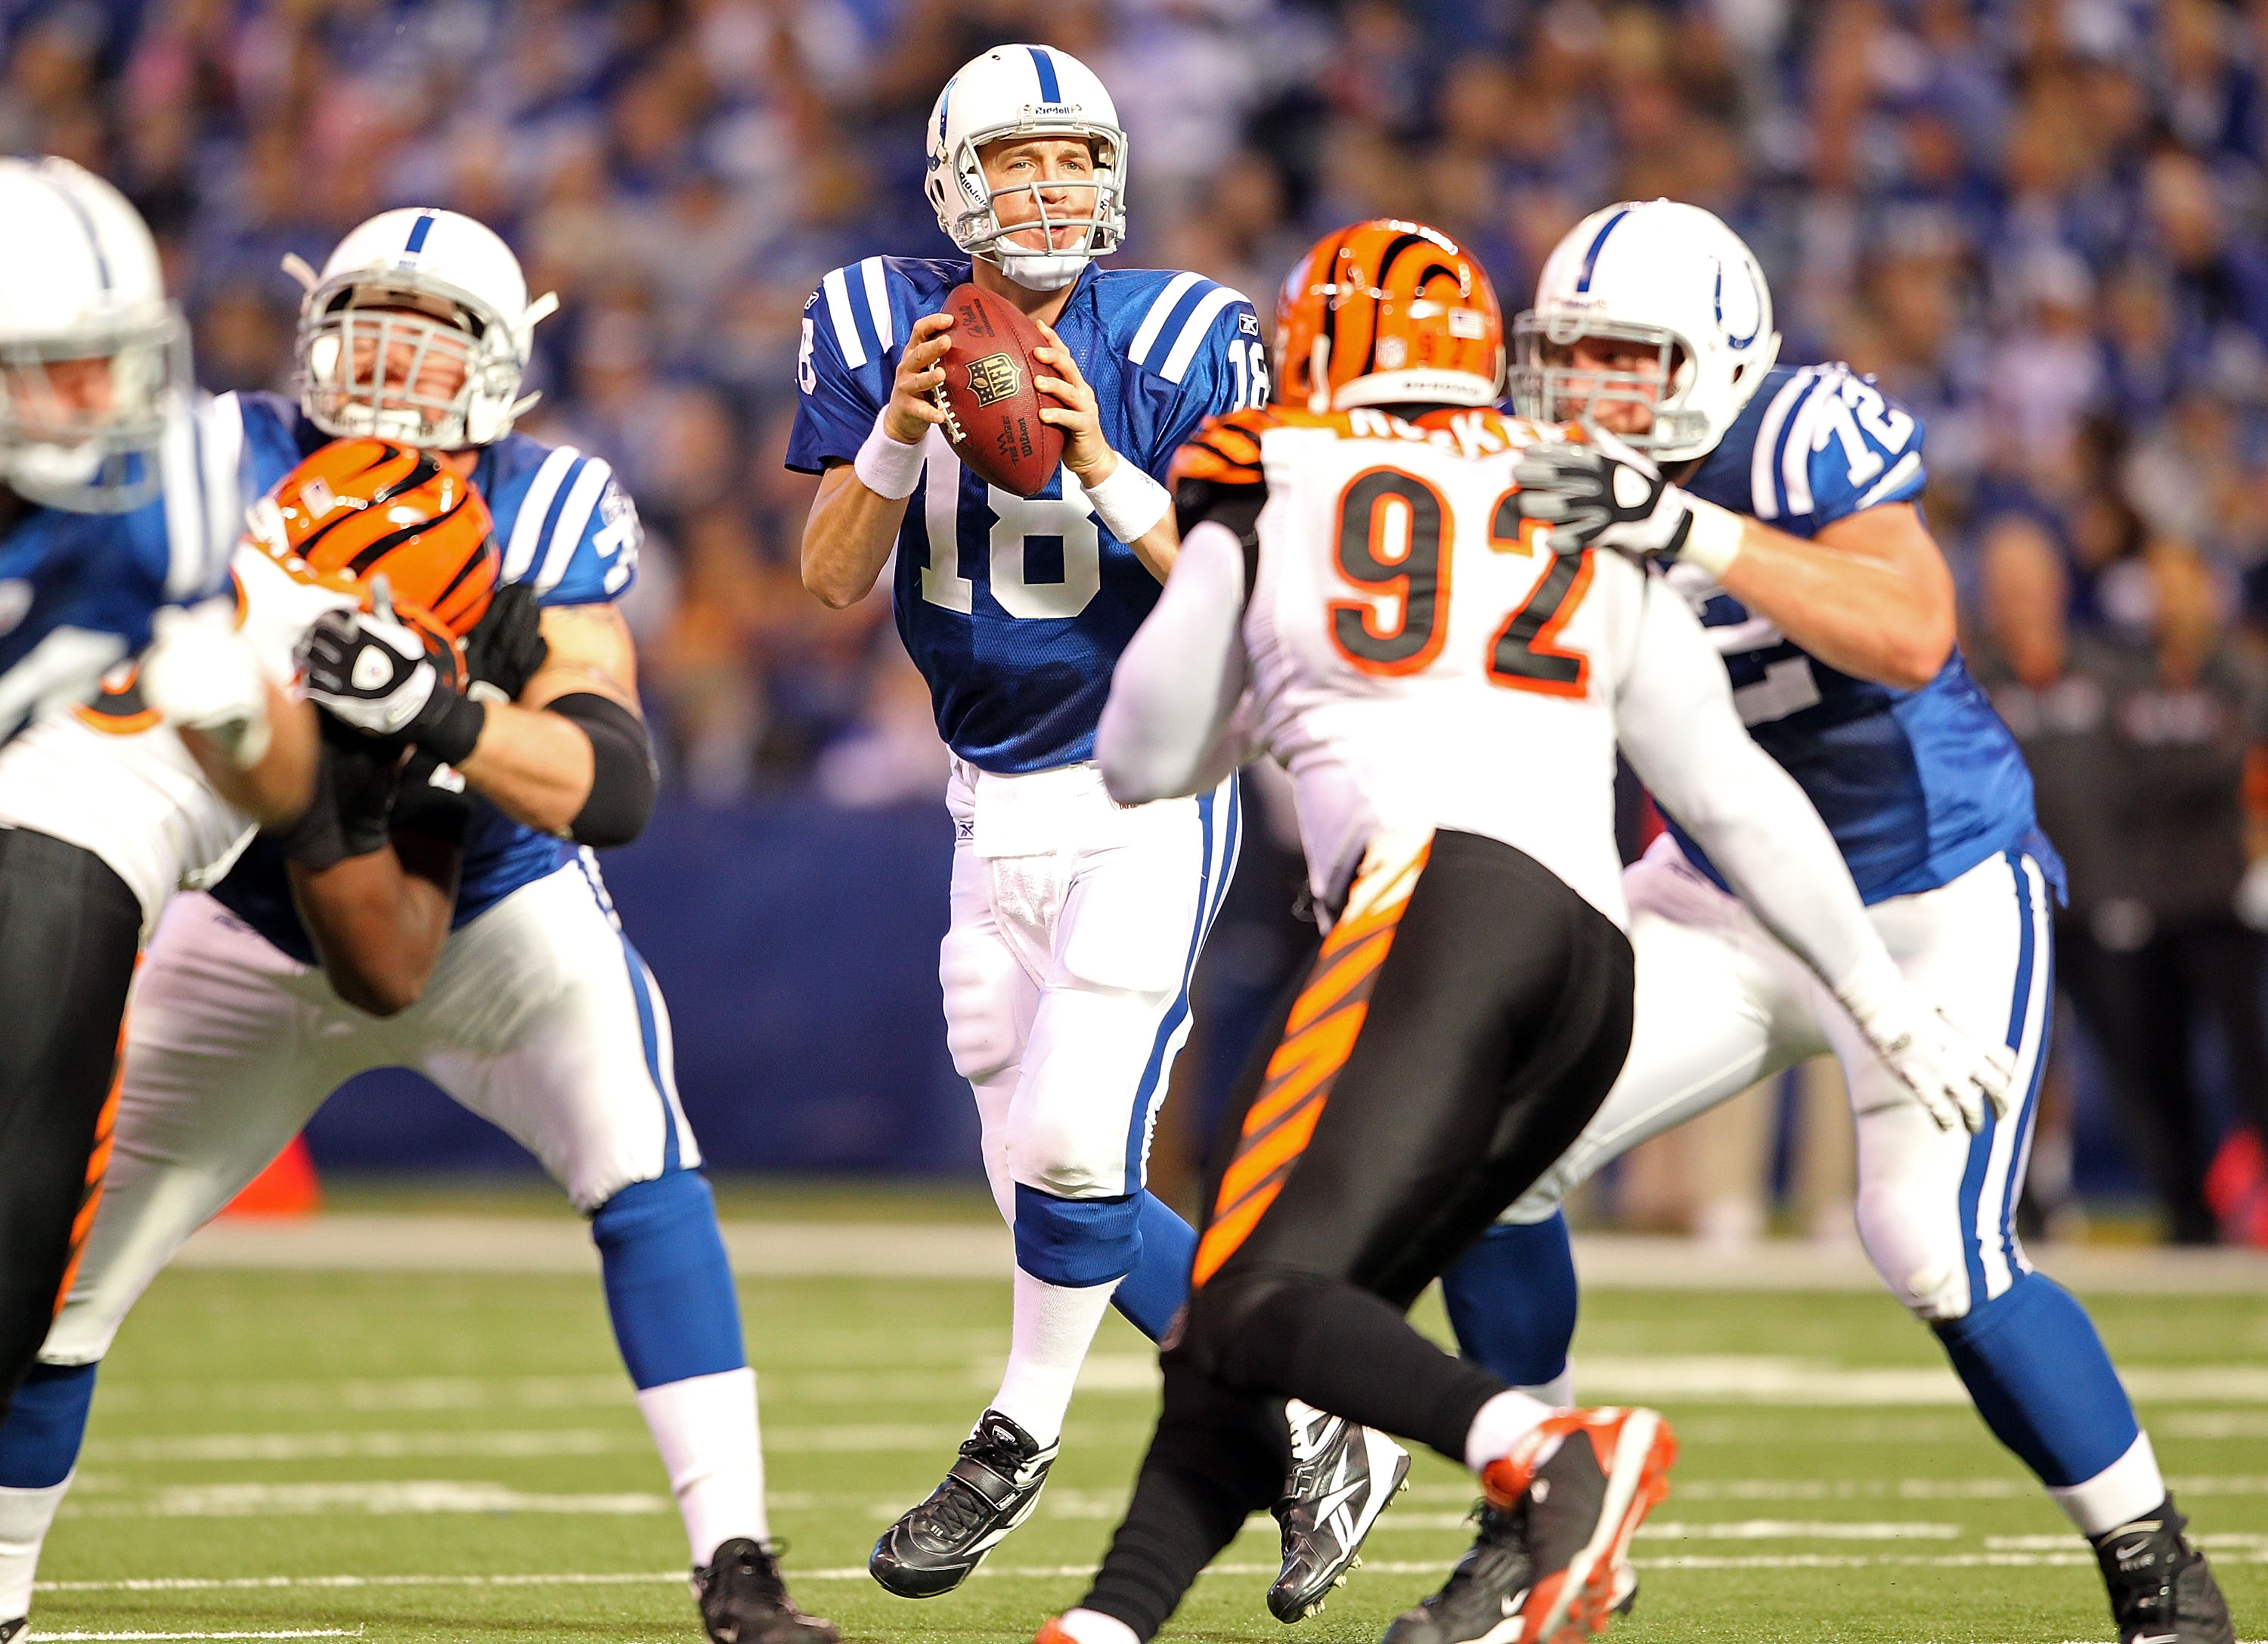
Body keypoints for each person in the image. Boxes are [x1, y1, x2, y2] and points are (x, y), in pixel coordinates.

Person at [1052, 216, 2012, 1644]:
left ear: (1312, 347)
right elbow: (1735, 797)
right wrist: (1881, 1000)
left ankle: (1546, 1449)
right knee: (1255, 1321)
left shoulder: (1273, 476)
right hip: (1592, 965)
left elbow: (1141, 755)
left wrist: (1235, 607)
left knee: (1249, 1285)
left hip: (1429, 912)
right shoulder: (1580, 496)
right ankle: (1116, 1620)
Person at [0, 208, 836, 1644]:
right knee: (62, 1272)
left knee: (646, 1171)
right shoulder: (216, 456)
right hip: (252, 912)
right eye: (366, 320)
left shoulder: (550, 506)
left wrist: (438, 710)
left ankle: (741, 1565)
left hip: (502, 910)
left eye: (429, 329)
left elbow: (610, 782)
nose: (388, 357)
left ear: (502, 365)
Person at [1434, 199, 2238, 1644]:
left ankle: (2155, 1562)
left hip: (1932, 891)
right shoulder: (1533, 468)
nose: (1595, 393)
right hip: (1722, 893)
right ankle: (1545, 1514)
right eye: (1574, 357)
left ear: (1726, 356)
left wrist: (1686, 525)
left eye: (1634, 358)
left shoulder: (1801, 432)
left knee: (1932, 1244)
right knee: (1493, 1152)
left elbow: (1911, 630)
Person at [789, 45, 1405, 1612]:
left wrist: (1104, 462)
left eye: (1074, 158)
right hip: (981, 796)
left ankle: (1018, 1432)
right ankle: (1323, 1404)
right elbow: (828, 575)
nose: (1050, 188)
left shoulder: (1192, 332)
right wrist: (898, 434)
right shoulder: (879, 322)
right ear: (955, 180)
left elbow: (1252, 580)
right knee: (1048, 1174)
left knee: (1075, 1141)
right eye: (1018, 161)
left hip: (1152, 782)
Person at [0, 155, 275, 1435]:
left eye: (111, 355)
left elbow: (272, 784)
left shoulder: (166, 495)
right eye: (59, 365)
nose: (102, 398)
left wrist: (237, 711)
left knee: (29, 1167)